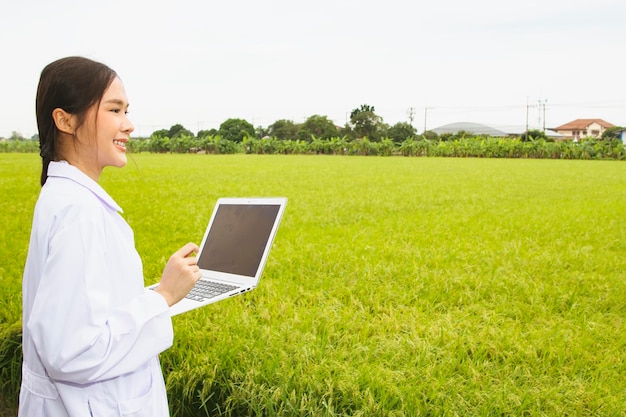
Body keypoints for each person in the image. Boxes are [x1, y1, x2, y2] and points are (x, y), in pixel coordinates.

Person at [19, 56, 201, 416]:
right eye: (115, 110)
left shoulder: (68, 198)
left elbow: (85, 309)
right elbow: (72, 352)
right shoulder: (78, 212)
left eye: (127, 111)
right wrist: (162, 296)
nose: (129, 125)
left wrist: (165, 290)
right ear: (65, 120)